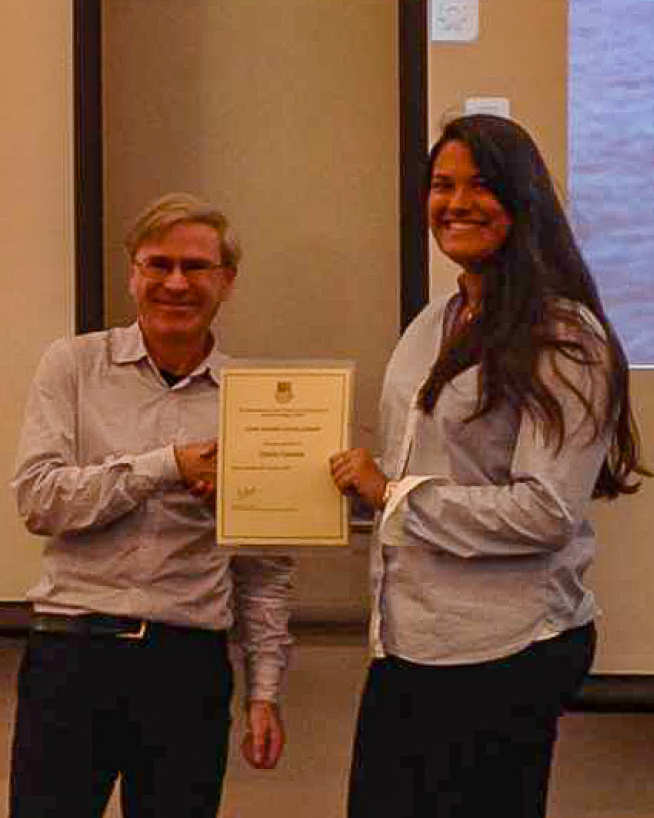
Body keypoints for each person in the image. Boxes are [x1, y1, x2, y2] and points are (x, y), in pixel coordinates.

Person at [330, 114, 649, 818]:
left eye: (480, 185)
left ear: (522, 197)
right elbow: (407, 478)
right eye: (442, 186)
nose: (456, 203)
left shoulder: (565, 335)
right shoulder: (432, 321)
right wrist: (328, 491)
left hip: (499, 651)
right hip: (408, 644)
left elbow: (545, 512)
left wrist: (391, 492)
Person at [10, 192, 293, 818]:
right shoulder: (73, 366)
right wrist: (165, 467)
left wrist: (264, 694)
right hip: (72, 656)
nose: (175, 282)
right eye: (157, 264)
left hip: (187, 670)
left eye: (195, 267)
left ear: (227, 282)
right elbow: (39, 500)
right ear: (132, 274)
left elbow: (263, 570)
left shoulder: (255, 403)